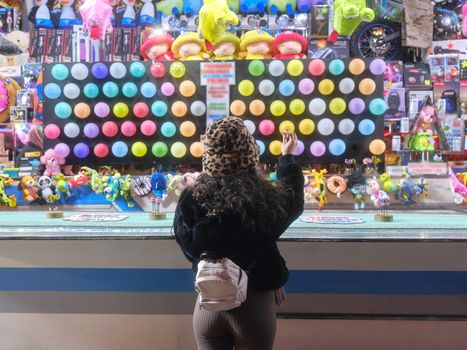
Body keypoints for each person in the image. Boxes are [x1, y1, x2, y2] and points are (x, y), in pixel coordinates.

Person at [173, 116, 304, 350]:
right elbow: (292, 201)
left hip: (208, 305)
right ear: (250, 151)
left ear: (208, 154)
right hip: (254, 306)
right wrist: (287, 159)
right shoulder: (263, 198)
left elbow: (187, 242)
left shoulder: (192, 195)